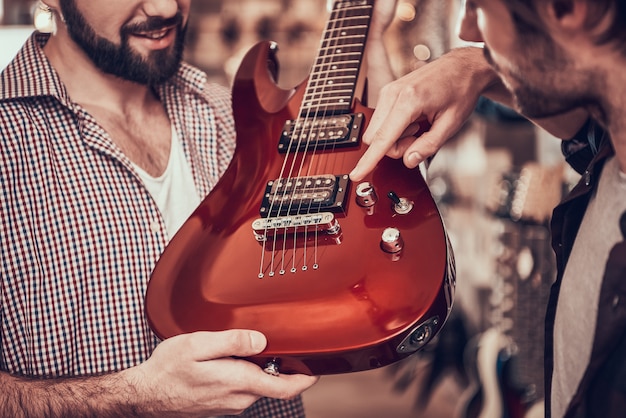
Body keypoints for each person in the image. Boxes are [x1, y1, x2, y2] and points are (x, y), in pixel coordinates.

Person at [0, 0, 397, 416]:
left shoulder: (234, 112)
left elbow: (374, 201)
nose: (166, 7)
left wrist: (376, 45)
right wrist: (137, 396)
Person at [350, 0, 626, 417]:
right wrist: (474, 67)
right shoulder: (608, 158)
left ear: (567, 10)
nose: (469, 29)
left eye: (478, 8)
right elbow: (587, 128)